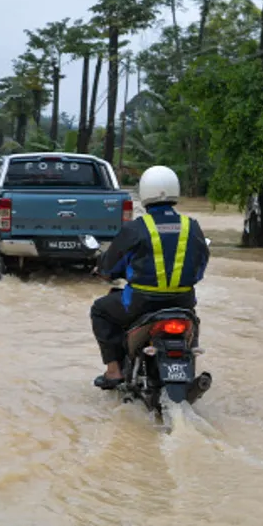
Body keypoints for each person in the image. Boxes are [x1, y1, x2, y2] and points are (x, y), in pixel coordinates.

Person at [90, 165, 209, 389]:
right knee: (194, 321)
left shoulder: (135, 229)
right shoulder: (191, 227)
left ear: (144, 192)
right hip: (182, 304)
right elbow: (201, 268)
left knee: (100, 309)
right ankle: (189, 364)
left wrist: (104, 272)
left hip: (139, 305)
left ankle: (114, 372)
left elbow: (110, 266)